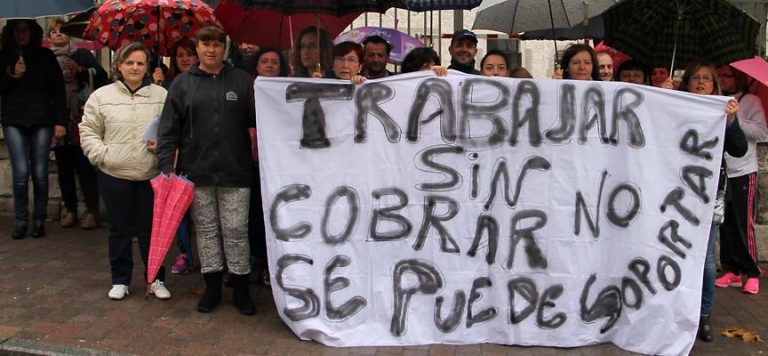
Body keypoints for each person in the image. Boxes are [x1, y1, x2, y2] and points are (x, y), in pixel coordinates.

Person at [157, 25, 256, 315]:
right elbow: (168, 129)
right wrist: (166, 165)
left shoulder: (241, 80)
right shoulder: (182, 84)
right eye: (205, 44)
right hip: (195, 173)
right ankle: (211, 287)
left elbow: (260, 117)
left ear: (225, 48)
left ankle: (240, 288)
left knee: (237, 230)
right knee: (207, 231)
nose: (211, 50)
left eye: (216, 44)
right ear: (197, 48)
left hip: (235, 172)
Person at [79, 42, 170, 301]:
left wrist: (162, 147)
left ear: (147, 67)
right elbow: (88, 129)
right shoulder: (101, 96)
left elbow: (174, 130)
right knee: (119, 229)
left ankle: (155, 278)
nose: (135, 67)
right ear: (119, 65)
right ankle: (120, 279)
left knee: (151, 231)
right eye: (129, 62)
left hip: (149, 174)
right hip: (114, 173)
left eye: (140, 63)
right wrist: (101, 156)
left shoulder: (161, 96)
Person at [677, 60, 747, 342]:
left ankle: (703, 315)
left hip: (710, 194)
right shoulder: (677, 107)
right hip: (676, 193)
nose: (701, 83)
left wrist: (730, 121)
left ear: (715, 85)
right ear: (687, 84)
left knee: (705, 259)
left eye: (707, 78)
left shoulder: (722, 111)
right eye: (695, 78)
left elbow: (739, 149)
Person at [0, 19, 67, 239]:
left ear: (33, 32)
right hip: (14, 119)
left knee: (39, 173)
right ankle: (20, 221)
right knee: (20, 173)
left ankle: (39, 220)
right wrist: (13, 75)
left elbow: (58, 91)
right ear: (12, 33)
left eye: (25, 30)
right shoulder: (5, 56)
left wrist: (60, 121)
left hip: (41, 119)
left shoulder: (46, 57)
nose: (22, 35)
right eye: (18, 31)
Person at [714, 64, 768, 295]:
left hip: (743, 170)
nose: (723, 80)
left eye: (727, 76)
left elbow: (762, 133)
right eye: (720, 76)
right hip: (721, 170)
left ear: (738, 79)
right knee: (723, 222)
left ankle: (752, 271)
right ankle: (732, 269)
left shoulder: (751, 102)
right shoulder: (716, 100)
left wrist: (735, 119)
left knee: (742, 222)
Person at [53, 54, 100, 230]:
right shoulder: (56, 87)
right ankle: (71, 210)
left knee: (86, 171)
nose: (67, 71)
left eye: (69, 67)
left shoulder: (86, 70)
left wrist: (81, 69)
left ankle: (92, 212)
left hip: (82, 132)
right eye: (63, 67)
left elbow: (100, 74)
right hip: (61, 131)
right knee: (64, 172)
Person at [47, 18, 109, 90]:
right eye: (54, 32)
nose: (58, 34)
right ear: (49, 38)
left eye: (62, 31)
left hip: (82, 100)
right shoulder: (46, 58)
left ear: (69, 35)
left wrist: (80, 69)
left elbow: (103, 77)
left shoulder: (83, 54)